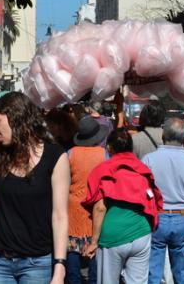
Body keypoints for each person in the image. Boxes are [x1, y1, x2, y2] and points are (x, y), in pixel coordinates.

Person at [0, 92, 70, 284]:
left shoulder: (55, 157)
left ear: (16, 118)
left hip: (37, 263)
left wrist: (60, 267)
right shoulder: (2, 154)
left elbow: (60, 215)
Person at [82, 130, 163, 284]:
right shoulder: (142, 169)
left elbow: (100, 208)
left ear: (110, 148)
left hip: (112, 235)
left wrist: (94, 242)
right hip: (141, 233)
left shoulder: (103, 170)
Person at [141, 118, 184, 284]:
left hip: (157, 217)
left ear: (163, 135)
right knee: (183, 272)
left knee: (153, 271)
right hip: (182, 217)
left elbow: (141, 190)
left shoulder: (148, 160)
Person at [66, 116, 110, 284]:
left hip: (73, 207)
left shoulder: (70, 153)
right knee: (94, 248)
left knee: (72, 250)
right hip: (95, 207)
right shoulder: (103, 155)